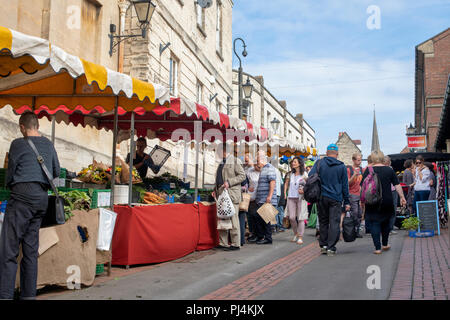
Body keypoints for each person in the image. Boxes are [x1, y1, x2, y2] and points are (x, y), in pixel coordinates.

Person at [0, 112, 61, 300]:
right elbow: (56, 171)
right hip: (40, 200)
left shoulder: (18, 144)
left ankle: (5, 296)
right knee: (30, 251)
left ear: (21, 127)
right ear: (37, 126)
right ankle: (28, 297)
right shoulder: (49, 145)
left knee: (8, 251)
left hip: (21, 198)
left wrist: (9, 185)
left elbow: (10, 174)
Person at [361, 150, 406, 254]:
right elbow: (397, 185)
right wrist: (402, 197)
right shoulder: (389, 170)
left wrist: (362, 201)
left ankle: (377, 248)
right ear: (382, 158)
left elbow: (362, 187)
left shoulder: (368, 170)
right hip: (387, 200)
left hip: (372, 200)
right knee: (385, 222)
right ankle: (385, 244)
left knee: (374, 223)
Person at [309, 144, 350, 256]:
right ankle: (331, 247)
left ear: (327, 153)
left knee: (323, 222)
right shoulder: (341, 166)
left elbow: (310, 176)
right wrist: (347, 201)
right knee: (334, 223)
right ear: (337, 154)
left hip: (321, 197)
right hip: (336, 198)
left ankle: (323, 245)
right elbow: (345, 186)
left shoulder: (319, 163)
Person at [213, 144, 246, 251]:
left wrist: (229, 182)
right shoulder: (221, 162)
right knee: (222, 218)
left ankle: (236, 243)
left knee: (233, 218)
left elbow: (242, 176)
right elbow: (218, 178)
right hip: (221, 194)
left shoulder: (235, 160)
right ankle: (223, 243)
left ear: (223, 150)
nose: (216, 153)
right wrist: (215, 190)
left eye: (217, 151)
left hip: (232, 194)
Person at [253, 151, 278, 245]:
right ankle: (262, 236)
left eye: (257, 160)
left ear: (262, 159)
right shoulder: (263, 169)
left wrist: (269, 196)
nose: (257, 162)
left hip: (266, 198)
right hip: (262, 198)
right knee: (260, 218)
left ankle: (267, 238)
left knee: (265, 219)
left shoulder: (269, 168)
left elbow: (272, 182)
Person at [284, 157, 309, 245]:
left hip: (301, 198)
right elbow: (286, 183)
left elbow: (309, 185)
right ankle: (295, 233)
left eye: (295, 162)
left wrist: (304, 190)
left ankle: (300, 236)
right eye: (293, 162)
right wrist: (285, 193)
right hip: (291, 197)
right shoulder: (290, 174)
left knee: (301, 217)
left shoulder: (304, 174)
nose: (293, 163)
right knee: (291, 217)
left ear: (299, 163)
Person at [347, 153, 363, 238]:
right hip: (352, 194)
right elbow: (347, 183)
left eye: (360, 160)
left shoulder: (361, 169)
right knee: (355, 213)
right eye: (358, 160)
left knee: (360, 214)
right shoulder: (349, 169)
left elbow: (362, 182)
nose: (360, 162)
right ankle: (352, 230)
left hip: (359, 194)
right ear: (353, 160)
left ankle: (357, 231)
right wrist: (354, 175)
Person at [246, 160, 261, 243]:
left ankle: (260, 235)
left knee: (258, 217)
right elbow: (245, 182)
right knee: (251, 217)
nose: (256, 166)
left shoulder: (263, 171)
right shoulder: (249, 171)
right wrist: (247, 188)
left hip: (260, 197)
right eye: (255, 165)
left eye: (258, 165)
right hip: (251, 197)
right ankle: (254, 234)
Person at [384, 156, 398, 235]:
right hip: (392, 191)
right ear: (389, 162)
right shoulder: (390, 169)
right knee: (392, 210)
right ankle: (390, 228)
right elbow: (395, 181)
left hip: (385, 192)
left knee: (386, 210)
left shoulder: (381, 169)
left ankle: (388, 227)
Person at [273, 167, 286, 233]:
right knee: (278, 211)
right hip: (280, 196)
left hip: (279, 196)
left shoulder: (275, 171)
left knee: (278, 211)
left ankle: (278, 226)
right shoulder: (281, 180)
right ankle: (278, 226)